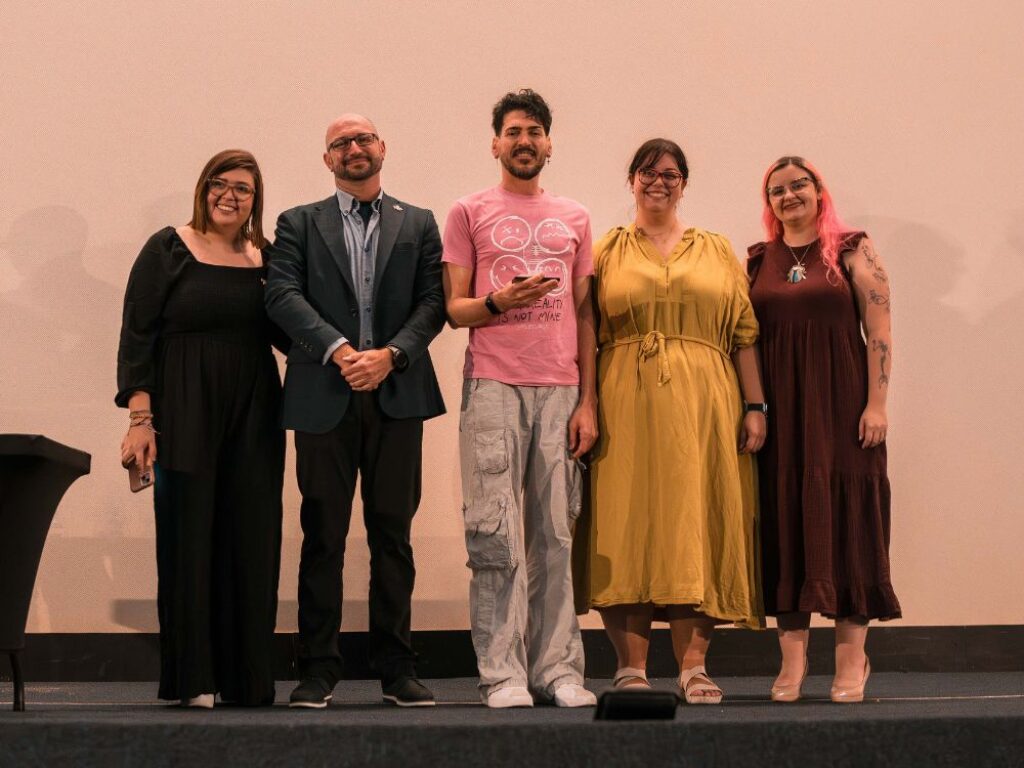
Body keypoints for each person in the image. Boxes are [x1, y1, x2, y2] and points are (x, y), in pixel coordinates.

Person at [575, 139, 766, 705]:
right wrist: (585, 402)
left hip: (705, 406)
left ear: (684, 183)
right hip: (623, 401)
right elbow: (586, 328)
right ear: (631, 179)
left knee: (695, 521)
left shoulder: (716, 249)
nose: (659, 181)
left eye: (671, 173)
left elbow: (743, 333)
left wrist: (755, 406)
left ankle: (694, 667)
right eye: (648, 172)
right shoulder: (605, 249)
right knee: (624, 522)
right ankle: (631, 668)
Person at [265, 114, 446, 709]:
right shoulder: (297, 222)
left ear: (382, 148)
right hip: (324, 396)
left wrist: (390, 356)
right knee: (323, 536)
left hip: (397, 396)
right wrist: (344, 352)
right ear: (328, 160)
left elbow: (432, 302)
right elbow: (282, 296)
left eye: (363, 138)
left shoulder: (418, 222)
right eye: (340, 143)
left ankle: (397, 669)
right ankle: (318, 668)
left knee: (393, 536)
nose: (354, 148)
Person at [442, 89, 598, 709]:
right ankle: (502, 674)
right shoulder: (467, 211)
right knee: (495, 533)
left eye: (534, 131)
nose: (524, 141)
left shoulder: (577, 217)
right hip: (492, 385)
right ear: (495, 143)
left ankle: (558, 669)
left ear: (549, 143)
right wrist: (498, 304)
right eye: (513, 131)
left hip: (561, 390)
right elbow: (453, 309)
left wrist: (589, 401)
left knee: (556, 534)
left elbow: (587, 317)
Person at [116, 149, 285, 708]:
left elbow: (293, 329)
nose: (229, 196)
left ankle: (245, 679)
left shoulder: (268, 259)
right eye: (220, 184)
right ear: (203, 188)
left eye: (243, 189)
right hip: (184, 405)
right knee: (189, 538)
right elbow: (138, 333)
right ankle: (195, 680)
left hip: (255, 408)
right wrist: (142, 419)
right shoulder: (168, 248)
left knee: (252, 535)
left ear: (255, 200)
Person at [748, 156, 901, 704]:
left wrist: (876, 404)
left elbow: (879, 328)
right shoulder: (758, 260)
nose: (789, 196)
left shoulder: (852, 248)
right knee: (788, 522)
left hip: (841, 408)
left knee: (848, 523)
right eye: (777, 190)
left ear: (818, 191)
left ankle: (851, 660)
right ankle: (792, 662)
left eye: (798, 185)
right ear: (768, 203)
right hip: (781, 414)